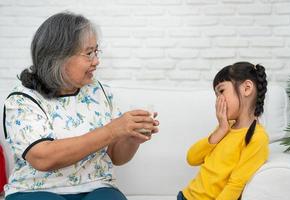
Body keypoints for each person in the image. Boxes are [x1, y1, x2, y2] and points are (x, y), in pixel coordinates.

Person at [3, 12, 159, 200]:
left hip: (97, 186)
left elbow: (117, 157)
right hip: (35, 191)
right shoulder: (22, 100)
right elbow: (43, 158)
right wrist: (113, 130)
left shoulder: (99, 91)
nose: (96, 61)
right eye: (89, 53)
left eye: (96, 51)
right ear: (58, 57)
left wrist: (132, 138)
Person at [178, 62, 269, 200]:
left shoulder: (258, 138)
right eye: (216, 95)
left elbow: (235, 185)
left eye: (221, 91)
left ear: (247, 88)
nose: (218, 100)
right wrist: (221, 130)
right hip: (185, 196)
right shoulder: (225, 126)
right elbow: (192, 158)